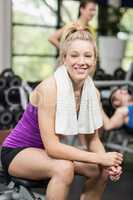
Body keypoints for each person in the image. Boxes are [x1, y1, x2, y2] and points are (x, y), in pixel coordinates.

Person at [1, 28, 123, 200]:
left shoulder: (91, 92)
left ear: (95, 60)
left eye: (88, 56)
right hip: (18, 152)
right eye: (74, 55)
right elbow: (53, 147)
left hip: (47, 152)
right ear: (64, 59)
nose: (81, 61)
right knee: (63, 167)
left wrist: (107, 163)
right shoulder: (49, 89)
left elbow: (92, 139)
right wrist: (100, 157)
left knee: (100, 170)